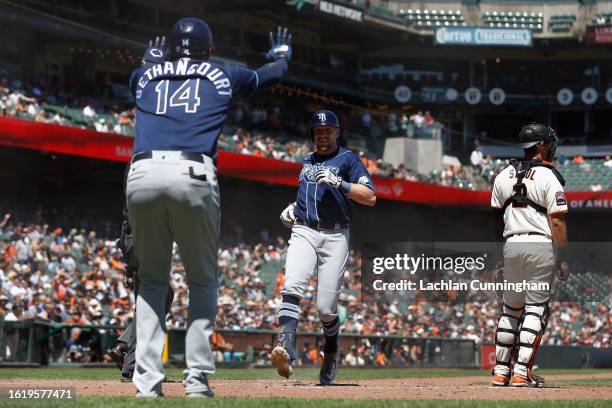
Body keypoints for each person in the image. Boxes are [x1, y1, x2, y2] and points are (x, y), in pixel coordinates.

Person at [126, 18, 291, 397]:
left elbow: (140, 79)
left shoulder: (145, 75)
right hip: (193, 173)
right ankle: (196, 381)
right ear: (209, 49)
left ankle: (147, 386)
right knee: (202, 279)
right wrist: (281, 56)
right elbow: (271, 75)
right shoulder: (223, 72)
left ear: (168, 48)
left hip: (142, 172)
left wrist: (151, 62)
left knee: (151, 281)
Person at [272, 109, 376, 385]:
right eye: (318, 131)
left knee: (326, 308)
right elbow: (309, 196)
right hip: (305, 230)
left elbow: (370, 196)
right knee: (292, 285)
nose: (323, 134)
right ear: (313, 134)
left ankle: (331, 351)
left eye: (328, 130)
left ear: (337, 132)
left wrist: (341, 183)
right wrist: (294, 208)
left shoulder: (349, 160)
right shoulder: (306, 161)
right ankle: (285, 344)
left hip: (335, 236)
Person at [490, 123, 570, 387]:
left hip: (511, 244)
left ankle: (501, 371)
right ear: (541, 145)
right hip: (539, 246)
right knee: (535, 310)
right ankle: (522, 373)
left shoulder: (503, 175)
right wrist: (565, 257)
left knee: (510, 310)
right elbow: (557, 221)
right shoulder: (550, 177)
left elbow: (495, 216)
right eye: (549, 142)